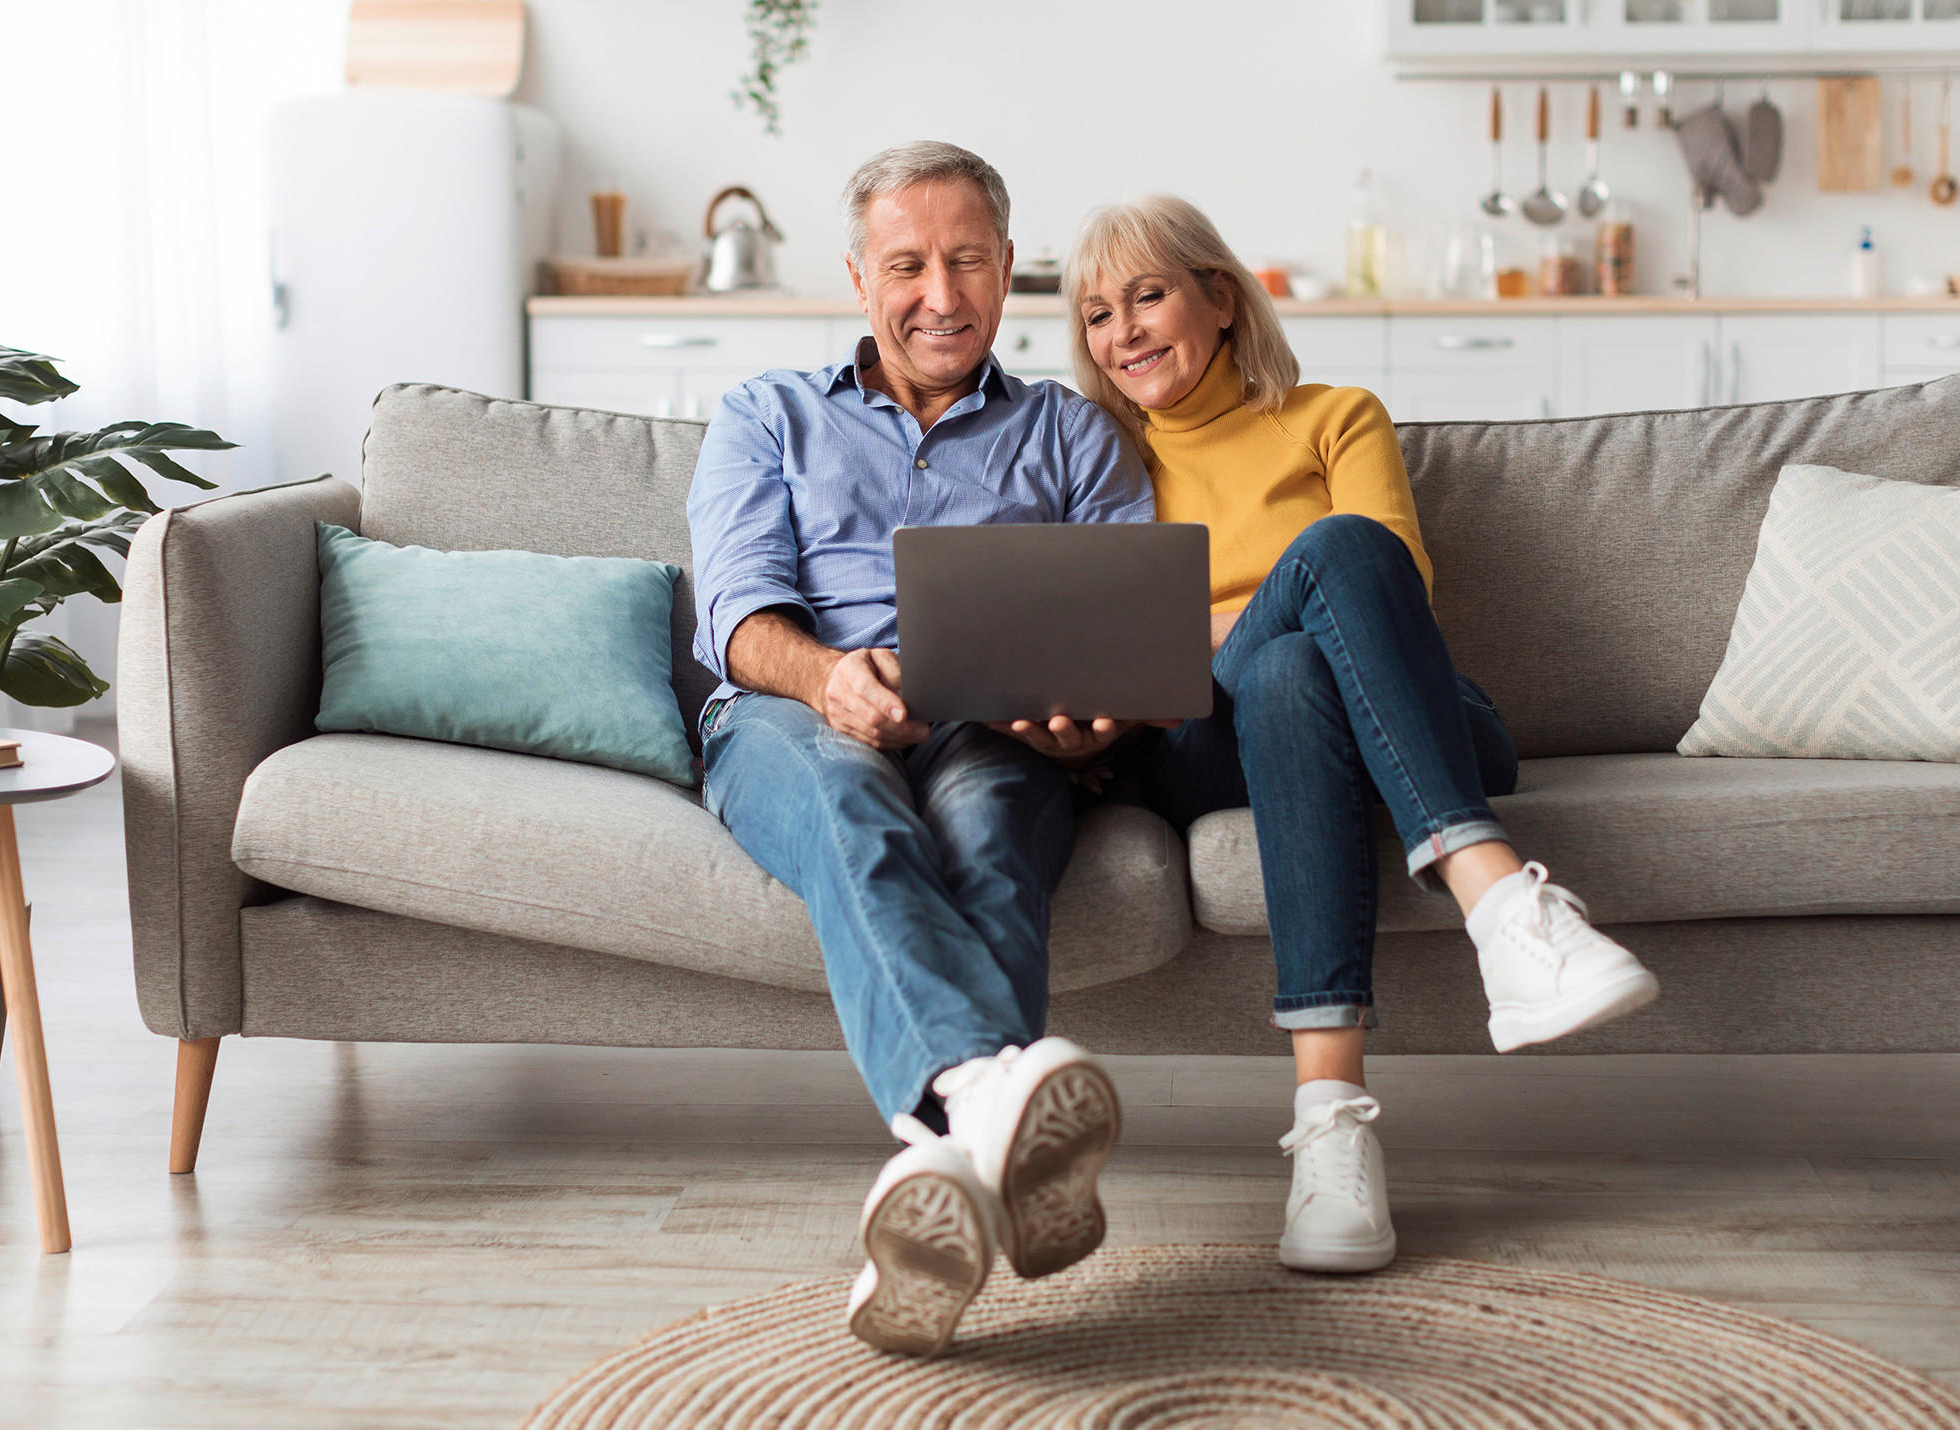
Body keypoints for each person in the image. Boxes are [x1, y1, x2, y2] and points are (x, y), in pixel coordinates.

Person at [1064, 196, 1660, 1276]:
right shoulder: (1099, 463)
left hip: (1411, 712)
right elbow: (1118, 644)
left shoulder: (1334, 415)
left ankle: (1332, 1134)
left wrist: (1203, 624)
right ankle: (1501, 903)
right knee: (1292, 630)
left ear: (1220, 298)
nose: (1124, 331)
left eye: (1148, 294)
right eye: (1097, 313)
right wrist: (1220, 629)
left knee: (1304, 645)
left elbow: (1389, 581)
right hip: (1206, 741)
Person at [688, 142, 1153, 1358]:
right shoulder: (762, 414)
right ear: (857, 276)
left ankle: (937, 1160)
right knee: (854, 810)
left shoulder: (1073, 435)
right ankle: (986, 1095)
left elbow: (1128, 627)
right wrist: (830, 676)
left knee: (995, 832)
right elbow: (735, 616)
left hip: (992, 729)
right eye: (907, 264)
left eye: (964, 262)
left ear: (1007, 273)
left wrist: (1097, 711)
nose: (937, 294)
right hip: (793, 716)